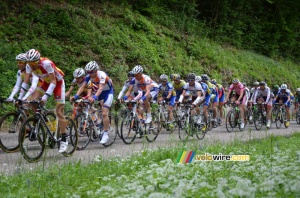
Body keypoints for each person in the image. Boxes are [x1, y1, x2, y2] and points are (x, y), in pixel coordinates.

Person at [22, 49, 68, 153]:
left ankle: (64, 139)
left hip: (58, 83)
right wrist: (21, 97)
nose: (31, 66)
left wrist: (45, 97)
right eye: (29, 63)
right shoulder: (29, 66)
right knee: (32, 101)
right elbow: (25, 82)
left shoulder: (47, 63)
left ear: (38, 61)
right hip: (45, 83)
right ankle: (44, 119)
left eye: (33, 63)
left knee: (59, 111)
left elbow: (53, 81)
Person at [71, 61, 114, 144]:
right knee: (84, 102)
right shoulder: (88, 77)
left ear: (95, 70)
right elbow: (82, 87)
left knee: (104, 113)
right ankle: (94, 121)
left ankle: (105, 134)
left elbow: (101, 88)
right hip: (97, 92)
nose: (89, 74)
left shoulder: (101, 75)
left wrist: (94, 97)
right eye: (88, 72)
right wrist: (76, 96)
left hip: (107, 93)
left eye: (91, 72)